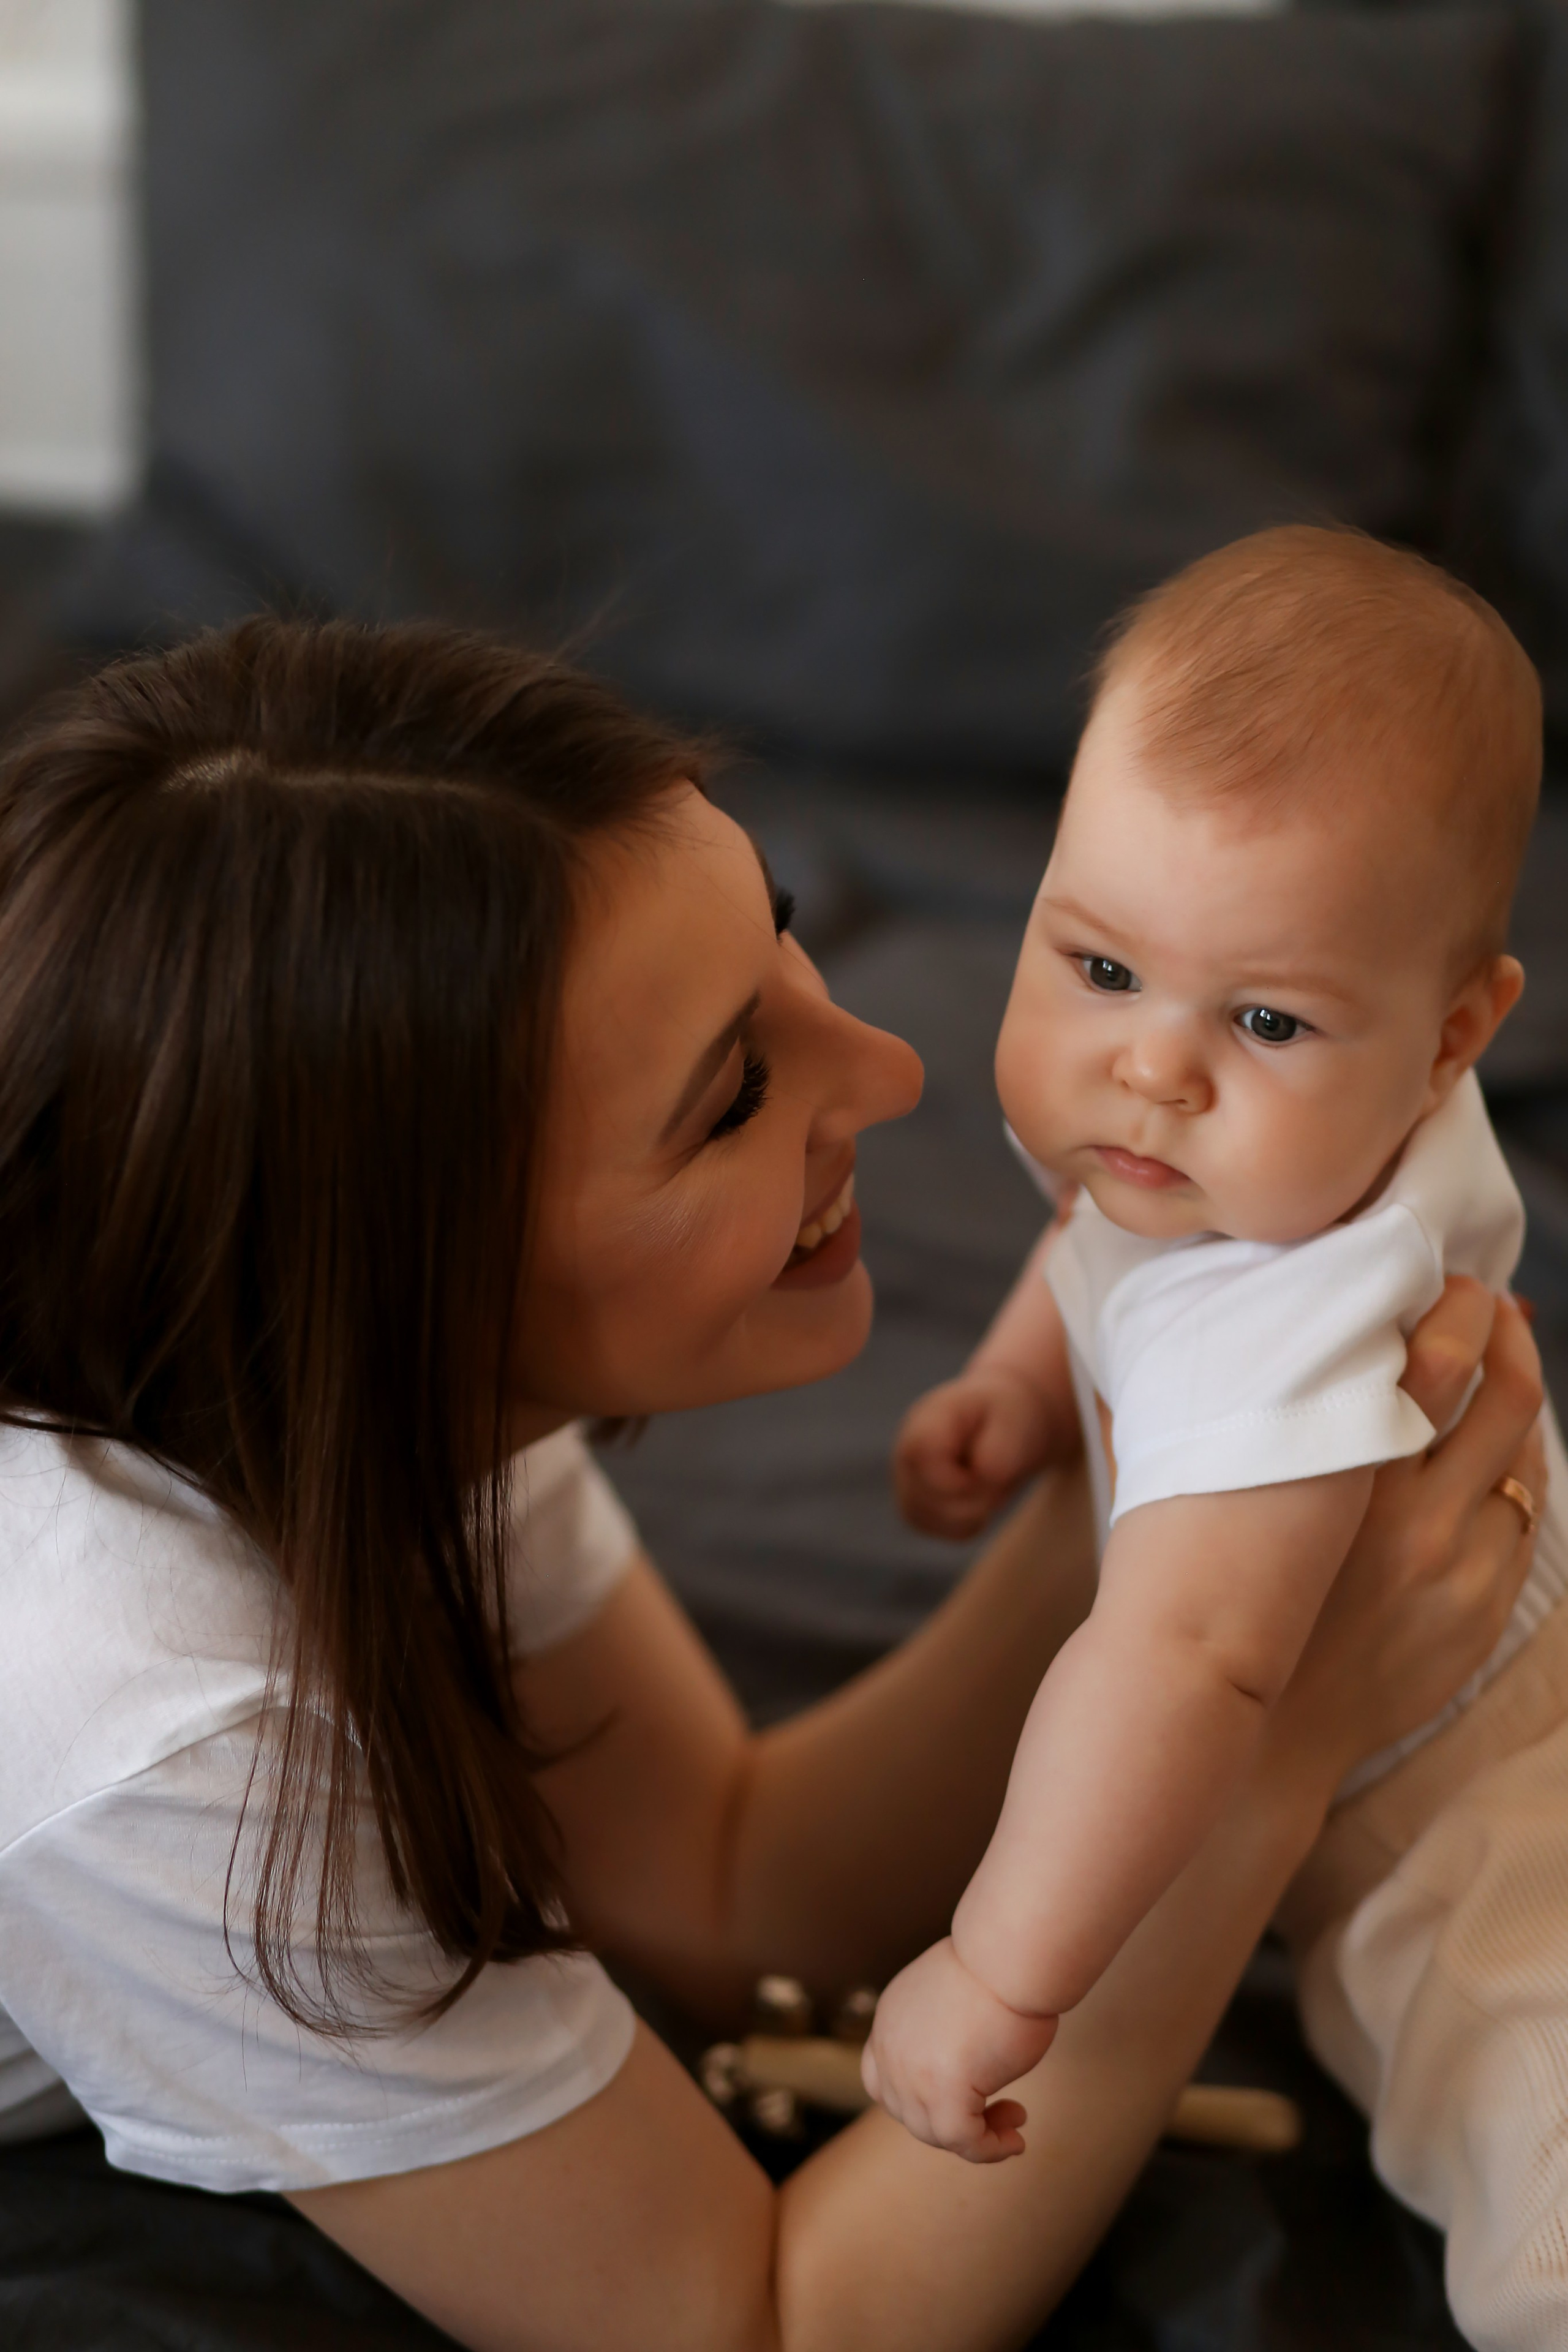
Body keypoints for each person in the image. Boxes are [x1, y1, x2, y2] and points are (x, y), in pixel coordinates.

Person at [0, 614, 1543, 2352]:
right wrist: (1267, 1750)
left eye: (787, 942)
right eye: (736, 1093)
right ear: (406, 1287)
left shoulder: (340, 1388)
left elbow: (728, 1883)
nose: (888, 1074)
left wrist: (1162, 1505)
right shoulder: (144, 1726)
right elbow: (761, 2329)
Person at [875, 527, 1566, 2346]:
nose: (1154, 1070)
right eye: (1097, 967)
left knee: (1526, 2116)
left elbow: (1188, 1658)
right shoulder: (1200, 1142)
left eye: (1262, 1018)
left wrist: (992, 1969)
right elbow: (1097, 1228)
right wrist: (1027, 1388)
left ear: (1454, 1035)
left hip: (1476, 1815)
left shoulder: (1284, 1303)